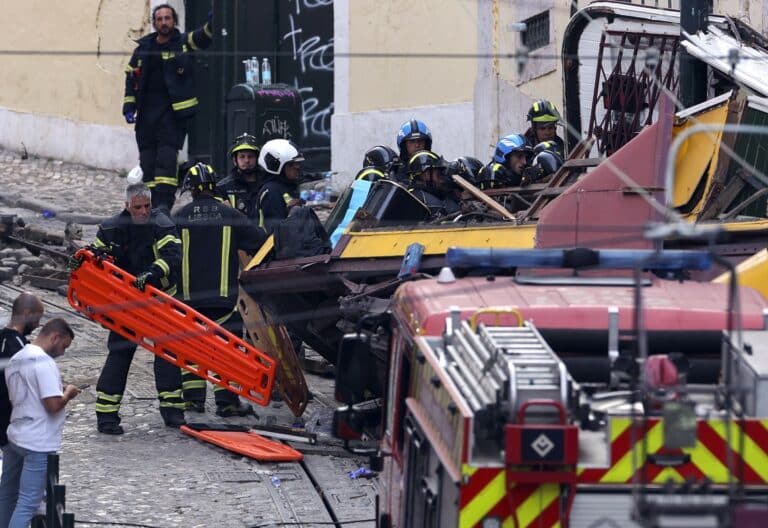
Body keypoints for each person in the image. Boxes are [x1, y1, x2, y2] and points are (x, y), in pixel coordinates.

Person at [84, 183, 185, 434]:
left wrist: (152, 272)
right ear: (127, 206)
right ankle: (106, 416)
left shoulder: (162, 223)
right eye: (137, 207)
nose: (143, 211)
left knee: (168, 354)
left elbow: (172, 255)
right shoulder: (111, 227)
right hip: (125, 304)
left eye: (147, 206)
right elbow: (96, 256)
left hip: (160, 301)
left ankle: (173, 412)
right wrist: (92, 257)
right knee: (119, 354)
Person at [173, 163, 267, 417]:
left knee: (190, 349)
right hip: (225, 302)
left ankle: (193, 400)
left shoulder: (179, 218)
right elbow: (260, 242)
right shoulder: (231, 215)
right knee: (228, 351)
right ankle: (227, 402)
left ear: (190, 190)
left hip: (188, 302)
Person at [122, 3, 214, 214]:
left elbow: (203, 37)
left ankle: (164, 204)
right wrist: (128, 105)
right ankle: (149, 205)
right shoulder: (143, 48)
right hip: (146, 117)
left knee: (166, 163)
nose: (164, 22)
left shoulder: (182, 43)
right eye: (160, 19)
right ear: (154, 22)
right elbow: (130, 78)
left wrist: (213, 23)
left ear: (174, 21)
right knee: (148, 163)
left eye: (168, 18)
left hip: (172, 117)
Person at [0, 318, 80, 528]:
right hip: (37, 441)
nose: (63, 352)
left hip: (16, 435)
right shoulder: (43, 362)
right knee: (28, 503)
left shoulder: (18, 357)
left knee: (7, 496)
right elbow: (53, 405)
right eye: (64, 346)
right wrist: (68, 393)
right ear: (55, 337)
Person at [0, 294, 44, 448]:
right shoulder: (18, 346)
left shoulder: (3, 337)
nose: (38, 325)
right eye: (37, 318)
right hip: (9, 423)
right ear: (27, 314)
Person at [257, 139, 306, 233]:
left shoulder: (287, 186)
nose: (298, 167)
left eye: (298, 164)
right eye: (292, 164)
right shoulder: (271, 191)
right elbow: (276, 231)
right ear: (276, 165)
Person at [216, 133, 263, 221]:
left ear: (257, 159)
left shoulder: (266, 184)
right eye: (242, 156)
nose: (247, 160)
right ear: (235, 160)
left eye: (251, 156)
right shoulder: (222, 188)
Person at [406, 150, 460, 217]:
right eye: (439, 174)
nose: (442, 180)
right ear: (427, 174)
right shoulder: (415, 200)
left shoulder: (437, 194)